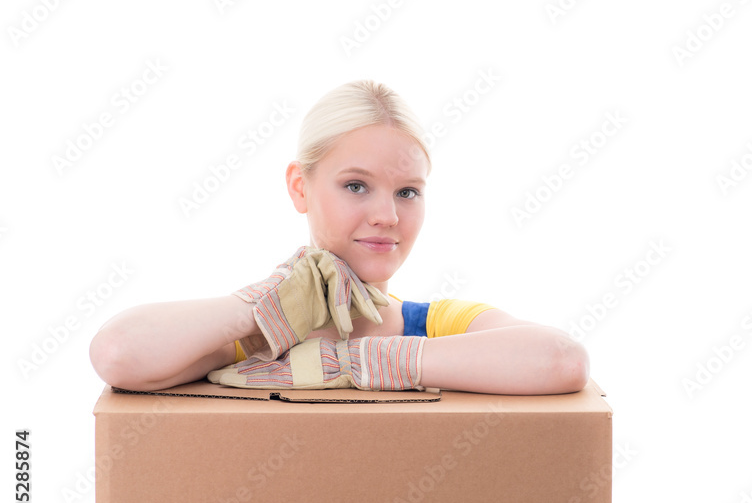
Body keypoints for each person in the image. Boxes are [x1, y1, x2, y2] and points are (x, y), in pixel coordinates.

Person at [89, 80, 589, 395]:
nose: (387, 216)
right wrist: (262, 306)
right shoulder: (258, 338)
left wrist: (350, 361)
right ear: (299, 187)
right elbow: (118, 353)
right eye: (356, 186)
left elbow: (562, 360)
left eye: (407, 192)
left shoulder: (440, 324)